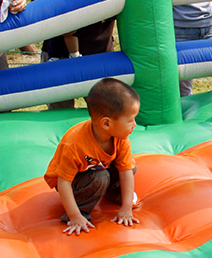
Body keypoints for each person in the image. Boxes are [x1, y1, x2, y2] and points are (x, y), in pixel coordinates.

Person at [44, 78, 140, 236]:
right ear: (107, 124)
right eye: (130, 120)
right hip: (73, 182)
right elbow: (63, 182)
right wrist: (75, 216)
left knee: (130, 165)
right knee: (99, 177)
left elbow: (125, 171)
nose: (134, 124)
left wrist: (126, 207)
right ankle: (81, 211)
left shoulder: (120, 138)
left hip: (99, 168)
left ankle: (115, 194)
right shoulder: (74, 144)